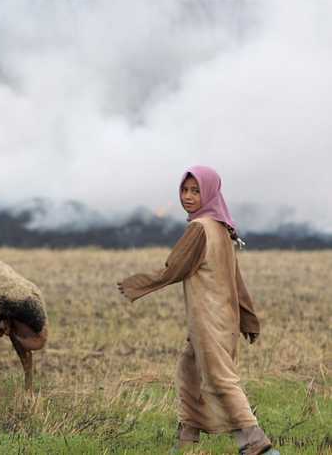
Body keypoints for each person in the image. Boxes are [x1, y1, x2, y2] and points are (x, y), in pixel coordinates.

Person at [116, 166, 278, 455]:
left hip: (209, 320)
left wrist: (135, 285)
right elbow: (236, 279)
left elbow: (174, 268)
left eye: (196, 191)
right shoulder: (222, 227)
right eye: (184, 190)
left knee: (220, 379)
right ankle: (186, 442)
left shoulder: (200, 229)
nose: (188, 196)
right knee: (190, 372)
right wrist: (248, 319)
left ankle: (256, 443)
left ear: (210, 192)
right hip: (221, 319)